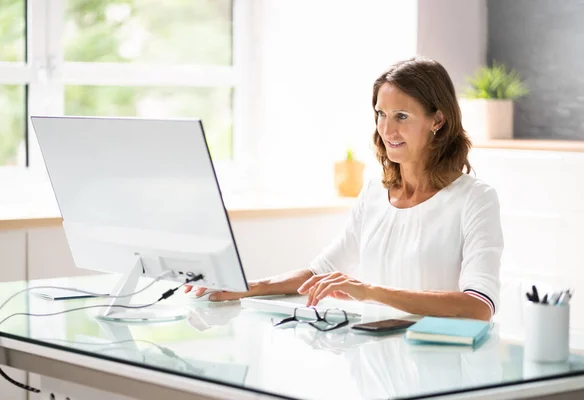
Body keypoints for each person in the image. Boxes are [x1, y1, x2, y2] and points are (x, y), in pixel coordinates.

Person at [184, 56, 503, 321]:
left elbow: (478, 306)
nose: (387, 129)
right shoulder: (375, 193)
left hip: (443, 369)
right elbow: (321, 271)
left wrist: (369, 291)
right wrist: (246, 286)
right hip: (374, 365)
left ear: (438, 121)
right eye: (381, 114)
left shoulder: (475, 199)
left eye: (402, 116)